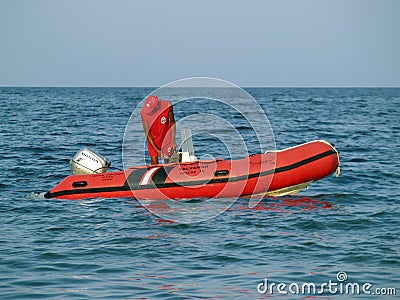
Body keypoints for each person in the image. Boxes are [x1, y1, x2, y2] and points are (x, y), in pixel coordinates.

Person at [140, 95, 177, 165]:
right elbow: (147, 133)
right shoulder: (143, 113)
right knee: (154, 164)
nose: (149, 112)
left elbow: (172, 122)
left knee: (169, 163)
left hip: (166, 138)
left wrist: (173, 141)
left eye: (151, 109)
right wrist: (156, 150)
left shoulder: (167, 106)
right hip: (153, 140)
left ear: (157, 107)